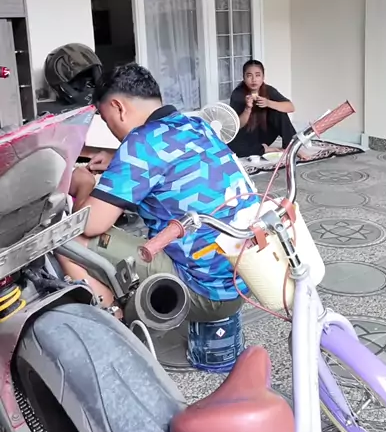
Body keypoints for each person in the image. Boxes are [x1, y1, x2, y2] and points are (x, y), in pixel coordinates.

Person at [62, 63, 258, 322]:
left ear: (119, 108)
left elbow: (88, 225)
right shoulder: (196, 125)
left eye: (107, 121)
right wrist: (116, 158)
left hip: (205, 291)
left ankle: (115, 321)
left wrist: (84, 183)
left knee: (66, 242)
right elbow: (170, 163)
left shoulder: (140, 143)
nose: (111, 129)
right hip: (243, 278)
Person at [229, 60, 297, 159]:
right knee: (230, 147)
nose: (254, 80)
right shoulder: (238, 94)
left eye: (257, 75)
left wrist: (268, 103)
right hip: (247, 136)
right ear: (244, 78)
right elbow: (238, 125)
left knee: (278, 110)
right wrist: (247, 108)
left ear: (263, 77)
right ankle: (264, 149)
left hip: (264, 134)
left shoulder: (268, 90)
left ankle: (291, 146)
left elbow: (291, 107)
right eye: (249, 76)